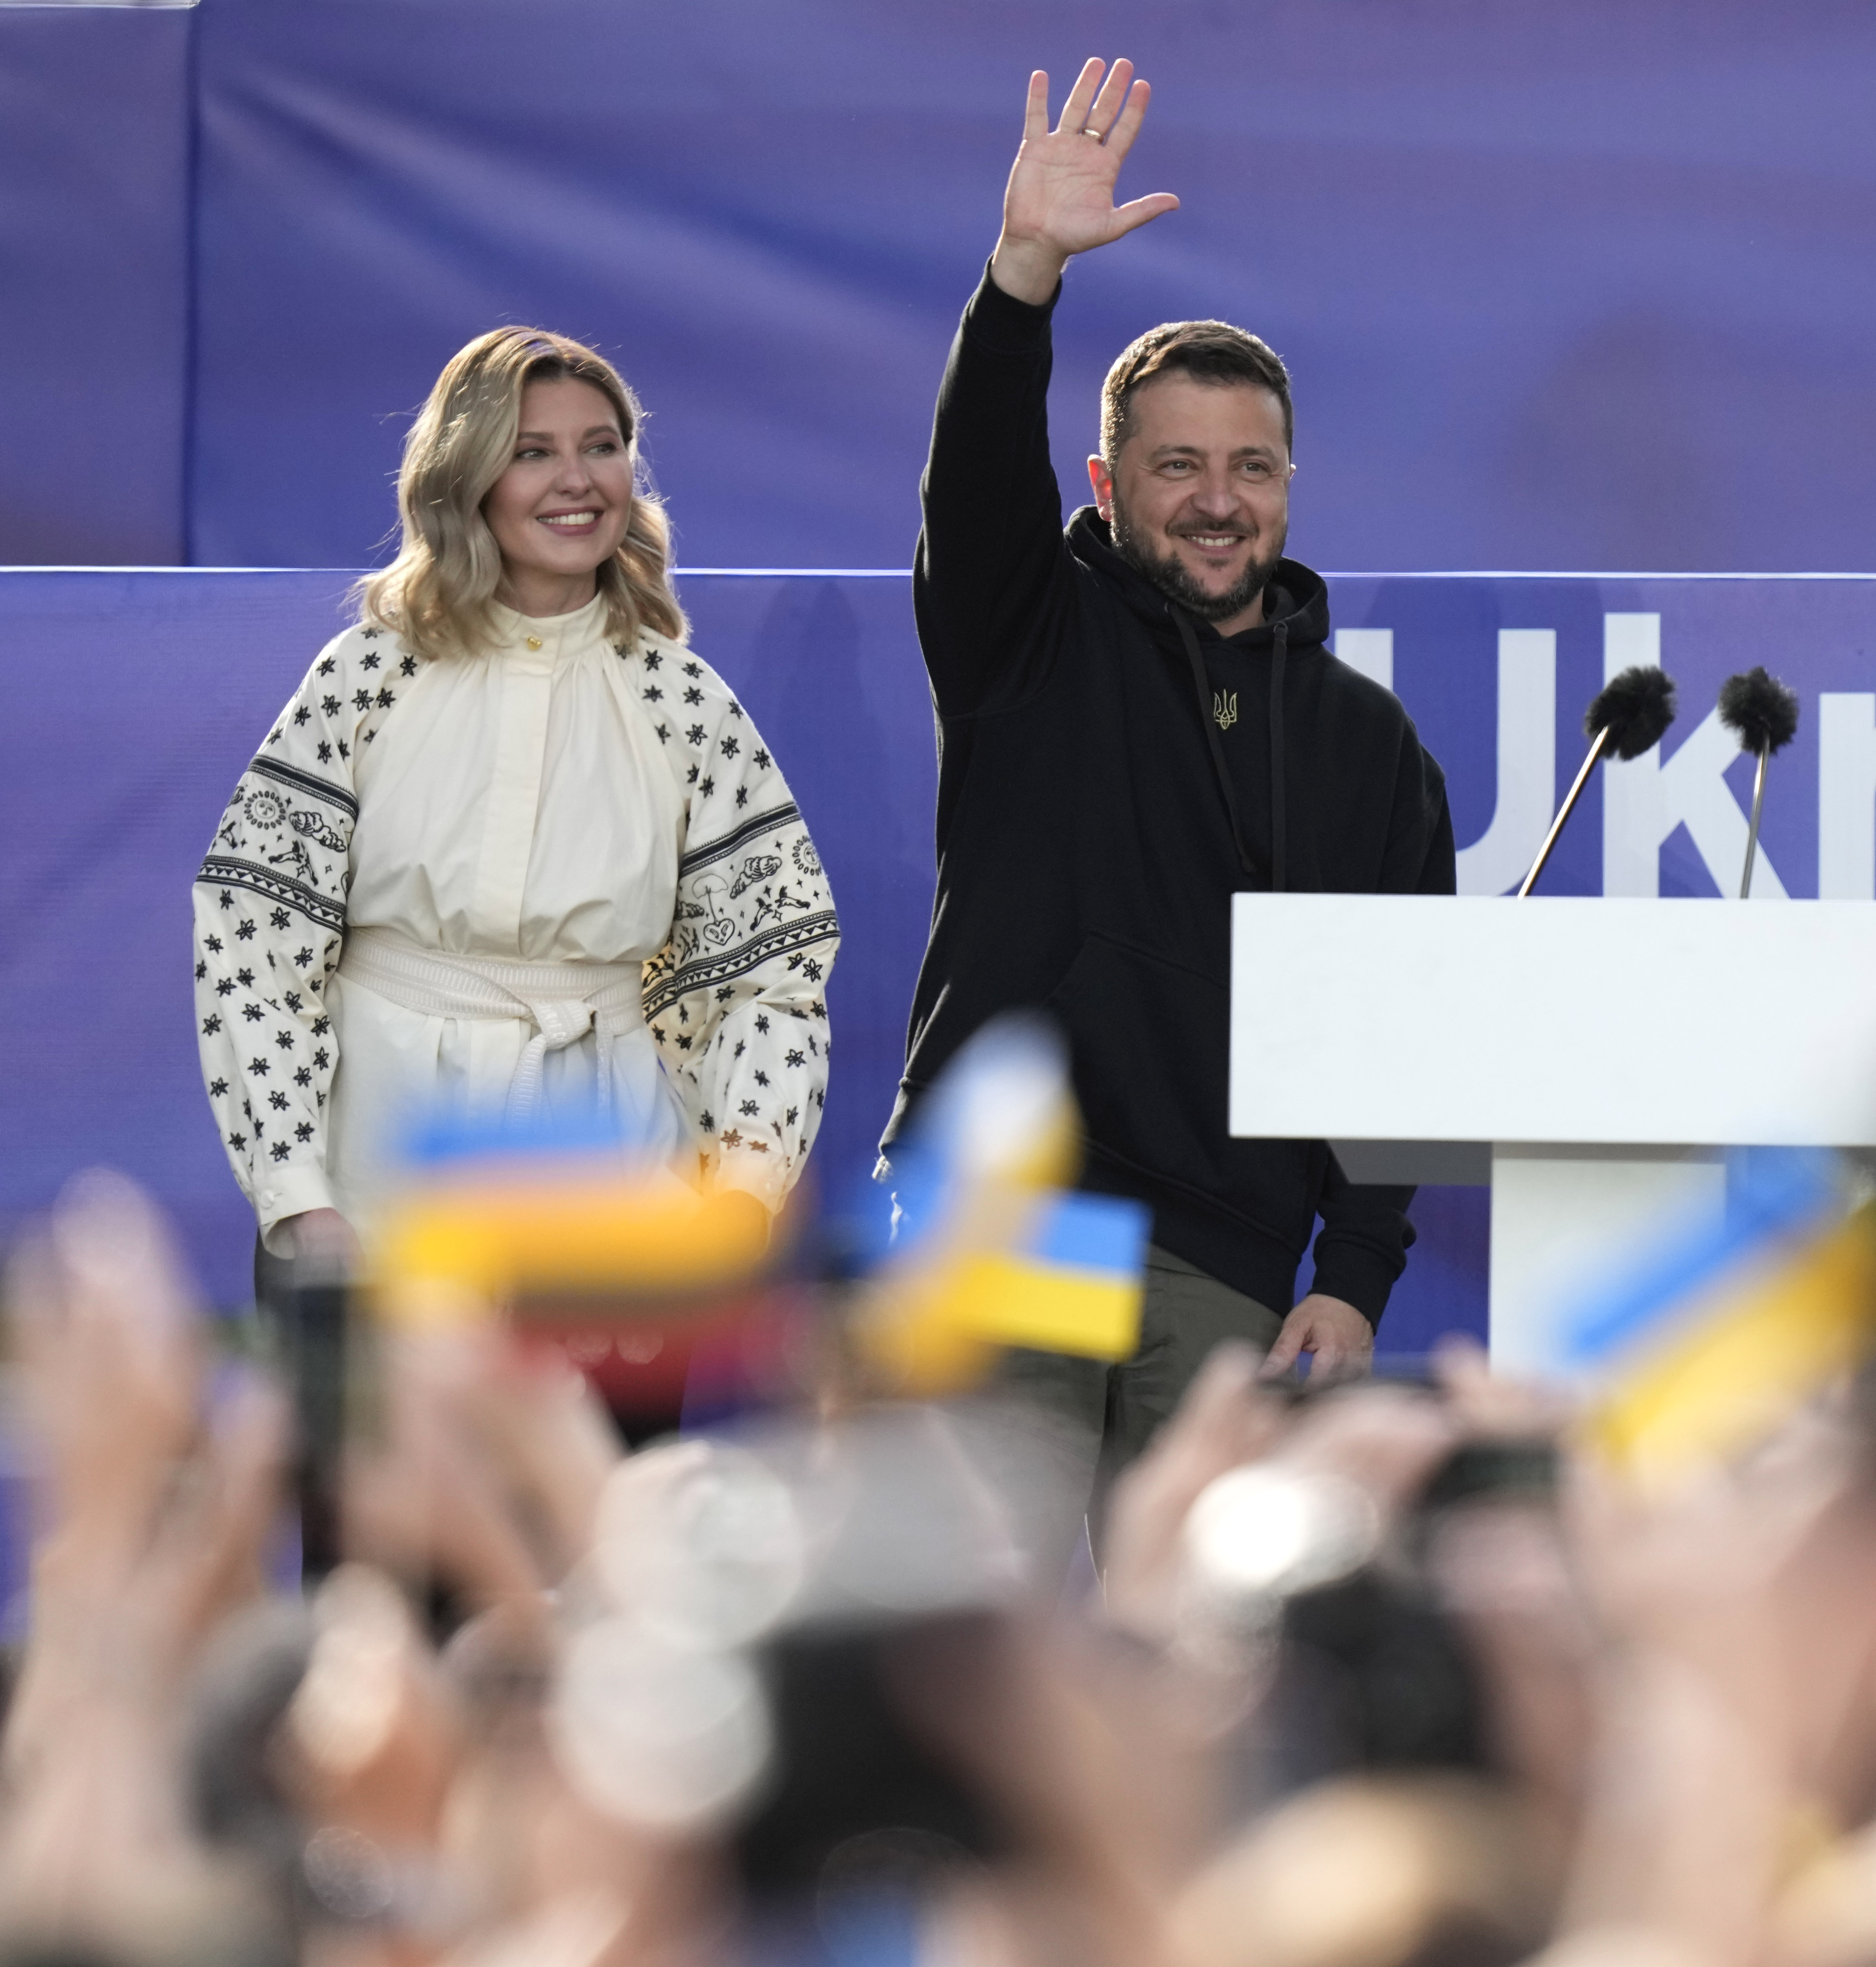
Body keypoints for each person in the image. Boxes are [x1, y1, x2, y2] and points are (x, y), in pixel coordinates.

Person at [884, 59, 1457, 1566]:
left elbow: (1393, 1034)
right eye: (1179, 467)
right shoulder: (1025, 633)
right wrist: (1022, 279)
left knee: (1201, 1657)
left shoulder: (1368, 742)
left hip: (1226, 1255)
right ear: (1108, 483)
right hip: (1003, 1230)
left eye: (1250, 468)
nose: (1218, 501)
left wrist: (1358, 1275)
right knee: (972, 1644)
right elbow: (974, 488)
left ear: (1290, 486)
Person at [192, 328, 838, 1280]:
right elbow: (254, 934)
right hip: (374, 1190)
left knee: (594, 1440)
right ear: (467, 478)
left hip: (615, 1208)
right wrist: (299, 1197)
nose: (576, 480)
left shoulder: (684, 701)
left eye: (601, 446)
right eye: (533, 452)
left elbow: (776, 971)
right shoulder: (370, 674)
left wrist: (737, 1202)